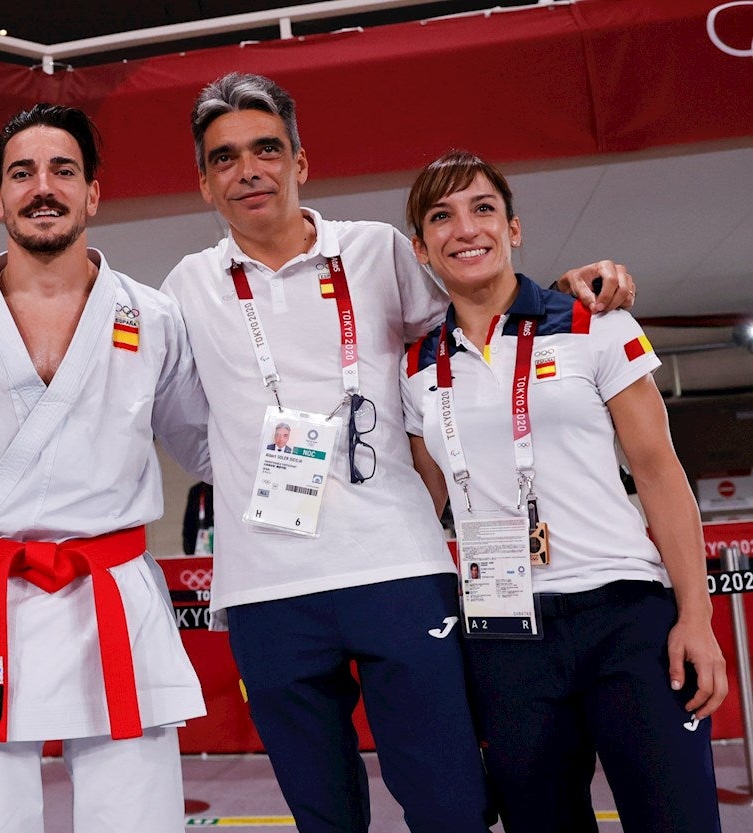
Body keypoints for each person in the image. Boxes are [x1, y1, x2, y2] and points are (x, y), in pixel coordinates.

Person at [160, 72, 636, 833]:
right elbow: (184, 425)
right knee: (323, 813)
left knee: (451, 802)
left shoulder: (377, 250)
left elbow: (477, 313)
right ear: (204, 182)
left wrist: (562, 292)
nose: (248, 170)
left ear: (300, 162)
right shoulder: (186, 286)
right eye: (224, 158)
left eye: (266, 149)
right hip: (265, 587)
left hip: (400, 568)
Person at [0, 104, 210, 833]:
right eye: (22, 173)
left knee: (136, 818)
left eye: (63, 170)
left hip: (113, 592)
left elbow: (204, 448)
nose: (44, 187)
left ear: (93, 193)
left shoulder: (155, 317)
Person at [401, 149, 725, 833]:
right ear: (420, 245)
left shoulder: (593, 323)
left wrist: (695, 616)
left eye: (483, 208)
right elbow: (422, 509)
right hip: (502, 632)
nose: (466, 228)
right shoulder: (416, 367)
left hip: (626, 615)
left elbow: (661, 472)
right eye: (442, 215)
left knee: (680, 820)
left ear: (513, 228)